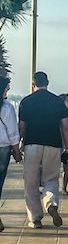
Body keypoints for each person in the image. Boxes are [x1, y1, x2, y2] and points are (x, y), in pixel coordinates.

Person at [18, 71, 68, 228]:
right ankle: (51, 204)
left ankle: (35, 218)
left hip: (32, 144)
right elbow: (65, 127)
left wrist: (18, 145)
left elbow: (22, 127)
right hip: (53, 145)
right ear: (48, 83)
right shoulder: (57, 101)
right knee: (51, 179)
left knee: (31, 182)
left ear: (33, 84)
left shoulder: (26, 102)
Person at [0, 76, 22, 232]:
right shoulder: (7, 108)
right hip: (3, 149)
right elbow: (13, 133)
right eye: (7, 87)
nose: (8, 90)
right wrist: (17, 151)